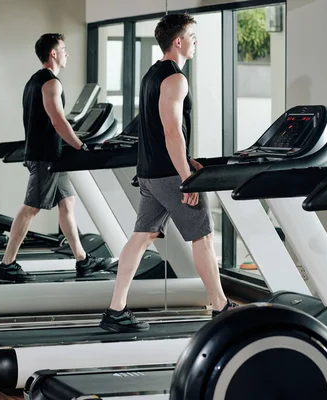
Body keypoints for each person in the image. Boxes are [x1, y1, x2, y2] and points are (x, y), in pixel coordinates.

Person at [99, 14, 237, 333]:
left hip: (149, 173)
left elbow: (160, 129)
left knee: (142, 236)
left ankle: (115, 309)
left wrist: (188, 161)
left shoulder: (152, 75)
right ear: (178, 41)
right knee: (202, 236)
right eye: (192, 35)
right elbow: (172, 132)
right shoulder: (176, 79)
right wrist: (187, 176)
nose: (196, 41)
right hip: (168, 176)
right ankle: (221, 306)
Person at [0, 33, 110, 282]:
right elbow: (58, 121)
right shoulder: (51, 83)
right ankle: (7, 264)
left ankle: (82, 260)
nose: (67, 53)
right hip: (46, 158)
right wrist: (80, 145)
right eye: (64, 49)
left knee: (67, 203)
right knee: (30, 209)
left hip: (53, 157)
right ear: (53, 54)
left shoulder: (35, 81)